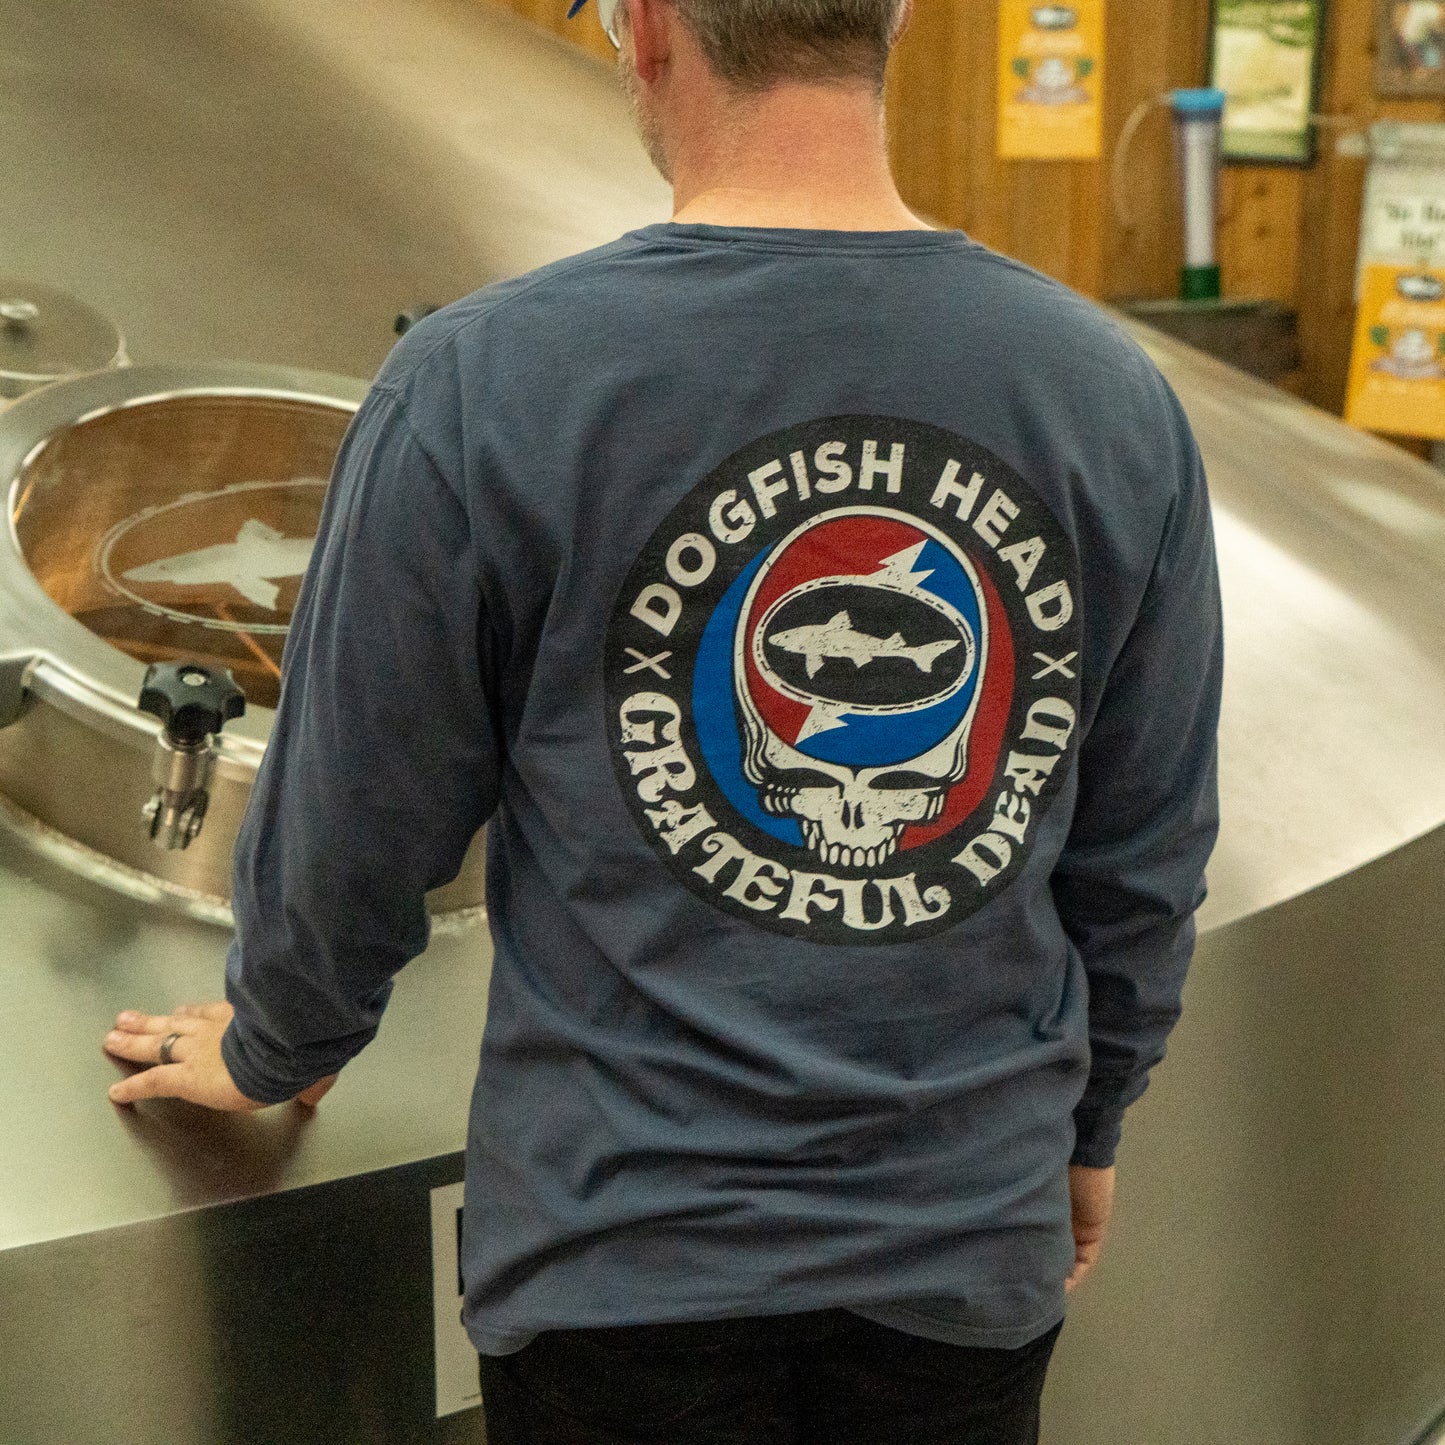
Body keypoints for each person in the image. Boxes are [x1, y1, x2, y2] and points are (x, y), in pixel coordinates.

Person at [102, 0, 1223, 1440]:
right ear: (889, 29)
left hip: (617, 1256)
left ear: (642, 31)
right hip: (960, 1242)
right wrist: (1087, 1122)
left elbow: (357, 807)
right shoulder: (1109, 399)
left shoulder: (477, 383)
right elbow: (1142, 844)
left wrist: (281, 1039)